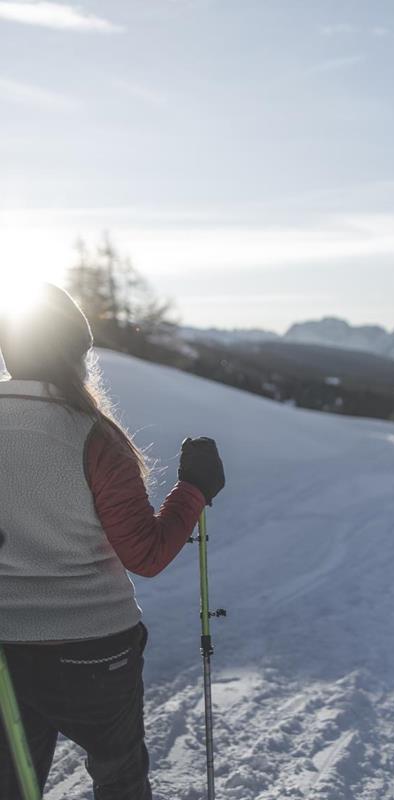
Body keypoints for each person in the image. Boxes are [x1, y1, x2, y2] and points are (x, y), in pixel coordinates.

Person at [0, 282, 225, 800]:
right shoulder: (95, 437)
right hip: (95, 652)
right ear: (80, 355)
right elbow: (144, 555)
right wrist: (193, 489)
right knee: (120, 780)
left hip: (7, 650)